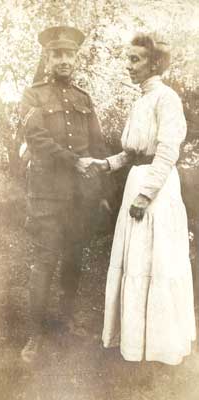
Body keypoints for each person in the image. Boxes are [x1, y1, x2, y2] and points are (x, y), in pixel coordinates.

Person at [89, 33, 196, 365]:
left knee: (158, 263)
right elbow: (134, 151)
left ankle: (160, 345)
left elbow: (165, 152)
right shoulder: (140, 102)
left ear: (154, 62)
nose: (129, 65)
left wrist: (146, 195)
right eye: (129, 58)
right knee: (137, 263)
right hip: (137, 182)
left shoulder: (167, 99)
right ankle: (137, 342)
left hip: (157, 190)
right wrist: (107, 163)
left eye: (135, 59)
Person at [20, 26, 111, 363]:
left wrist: (101, 190)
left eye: (69, 54)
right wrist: (76, 161)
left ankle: (67, 321)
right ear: (47, 57)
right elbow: (38, 141)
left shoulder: (84, 99)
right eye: (57, 54)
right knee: (44, 263)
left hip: (79, 199)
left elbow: (98, 146)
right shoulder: (33, 96)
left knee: (73, 261)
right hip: (46, 196)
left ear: (76, 58)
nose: (64, 60)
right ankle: (35, 335)